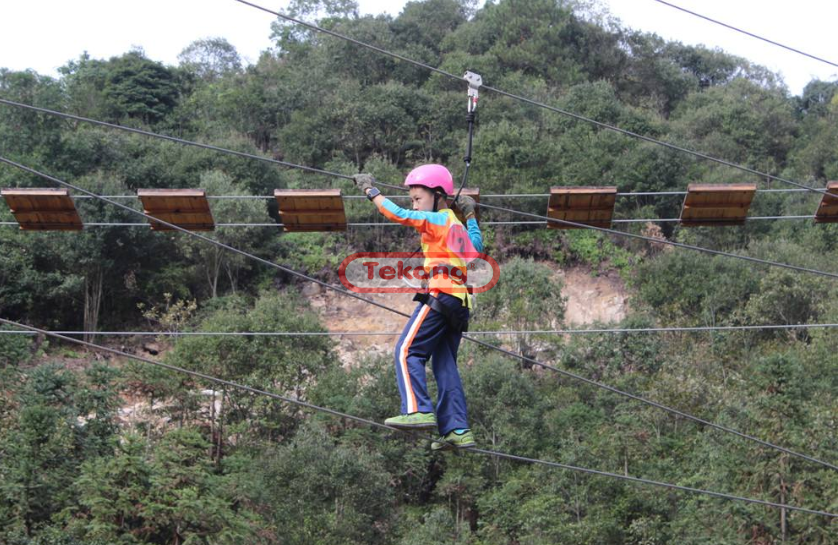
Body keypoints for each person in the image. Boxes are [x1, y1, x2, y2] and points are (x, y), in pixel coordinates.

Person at [353, 164, 483, 450]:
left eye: (417, 198)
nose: (413, 204)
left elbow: (399, 215)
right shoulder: (455, 223)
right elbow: (476, 248)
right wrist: (471, 213)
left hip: (442, 294)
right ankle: (457, 430)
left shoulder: (438, 220)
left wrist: (370, 190)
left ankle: (417, 409)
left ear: (437, 195)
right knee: (445, 365)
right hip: (460, 303)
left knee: (406, 350)